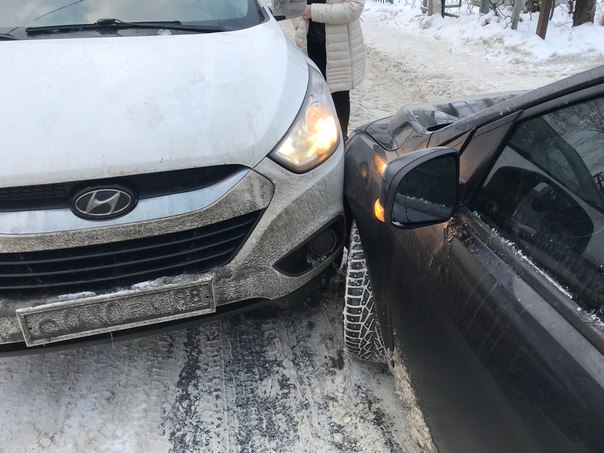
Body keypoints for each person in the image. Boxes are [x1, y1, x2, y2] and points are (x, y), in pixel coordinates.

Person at [292, 0, 365, 140]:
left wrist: (312, 12)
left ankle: (340, 141)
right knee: (313, 96)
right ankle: (316, 141)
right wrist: (299, 24)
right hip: (310, 45)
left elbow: (354, 7)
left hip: (339, 47)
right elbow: (294, 5)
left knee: (338, 95)